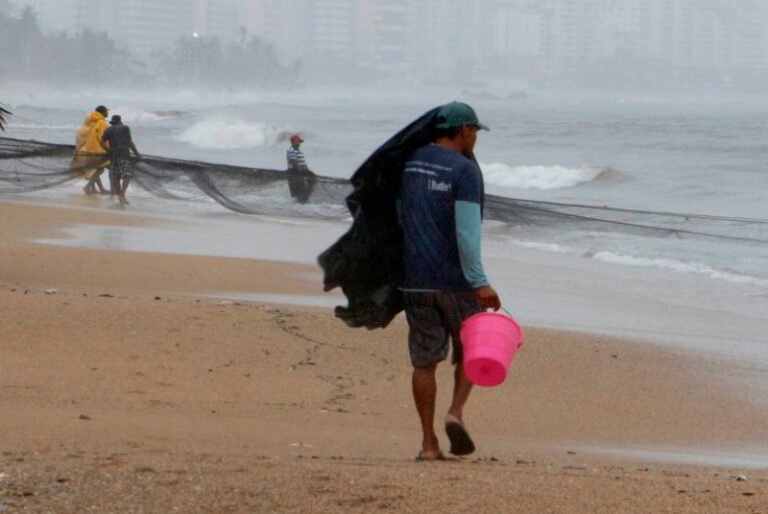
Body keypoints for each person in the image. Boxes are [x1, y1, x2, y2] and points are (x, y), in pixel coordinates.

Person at [397, 101, 501, 461]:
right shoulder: (465, 171)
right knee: (473, 349)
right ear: (465, 131)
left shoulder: (409, 162)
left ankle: (428, 444)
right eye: (474, 132)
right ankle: (455, 413)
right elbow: (467, 233)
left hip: (413, 280)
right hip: (456, 281)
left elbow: (398, 213)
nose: (475, 139)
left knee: (424, 362)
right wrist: (480, 281)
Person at [100, 114, 141, 205]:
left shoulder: (108, 130)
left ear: (112, 122)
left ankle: (119, 196)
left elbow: (101, 142)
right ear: (120, 121)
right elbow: (129, 142)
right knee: (127, 174)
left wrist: (108, 150)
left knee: (116, 177)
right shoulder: (125, 128)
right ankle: (122, 194)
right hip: (123, 153)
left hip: (113, 155)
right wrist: (136, 153)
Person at [77, 105, 110, 195]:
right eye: (106, 111)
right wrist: (108, 149)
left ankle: (97, 189)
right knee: (100, 169)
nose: (107, 113)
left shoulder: (91, 121)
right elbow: (102, 138)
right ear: (102, 112)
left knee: (95, 169)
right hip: (98, 149)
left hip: (89, 148)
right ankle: (87, 187)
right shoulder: (102, 122)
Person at [285, 133, 316, 204]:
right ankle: (299, 204)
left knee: (305, 186)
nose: (299, 143)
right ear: (293, 142)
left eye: (299, 142)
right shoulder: (291, 150)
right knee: (299, 189)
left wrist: (307, 171)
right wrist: (302, 172)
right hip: (294, 172)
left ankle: (301, 203)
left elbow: (303, 163)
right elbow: (294, 162)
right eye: (298, 142)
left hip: (301, 171)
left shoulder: (299, 151)